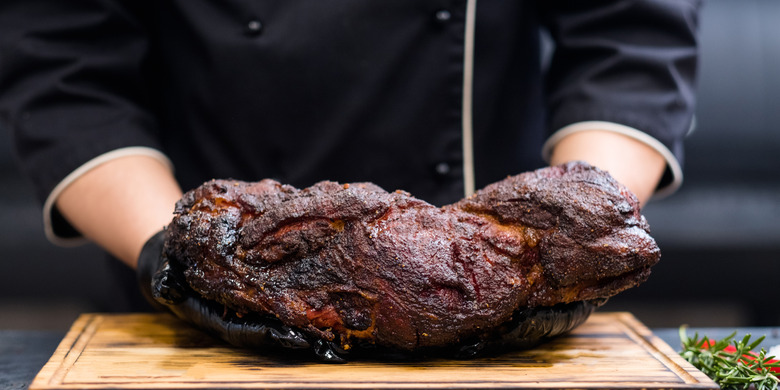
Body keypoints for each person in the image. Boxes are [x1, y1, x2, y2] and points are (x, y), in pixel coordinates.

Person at [0, 1, 701, 311]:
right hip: (205, 307)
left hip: (504, 298)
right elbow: (65, 66)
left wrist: (565, 236)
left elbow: (629, 38)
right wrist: (176, 257)